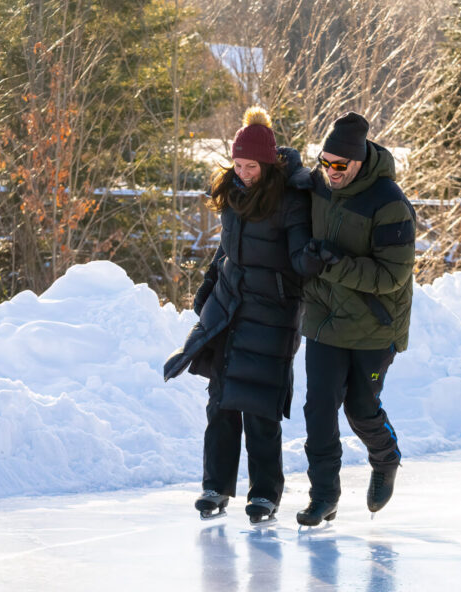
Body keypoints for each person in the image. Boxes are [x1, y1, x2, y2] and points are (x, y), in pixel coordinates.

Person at [164, 106, 322, 524]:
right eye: (237, 164)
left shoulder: (289, 200)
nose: (243, 172)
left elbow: (299, 257)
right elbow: (226, 251)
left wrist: (317, 258)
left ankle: (265, 493)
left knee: (260, 408)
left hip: (271, 315)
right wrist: (207, 286)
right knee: (220, 403)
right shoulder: (232, 196)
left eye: (250, 165)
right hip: (230, 308)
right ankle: (214, 486)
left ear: (267, 164)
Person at [296, 112, 416, 526]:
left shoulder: (390, 204)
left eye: (340, 165)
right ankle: (324, 495)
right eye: (324, 162)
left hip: (374, 324)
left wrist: (332, 265)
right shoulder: (319, 186)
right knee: (319, 410)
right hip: (325, 320)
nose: (331, 172)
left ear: (360, 162)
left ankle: (386, 460)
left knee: (361, 410)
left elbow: (390, 276)